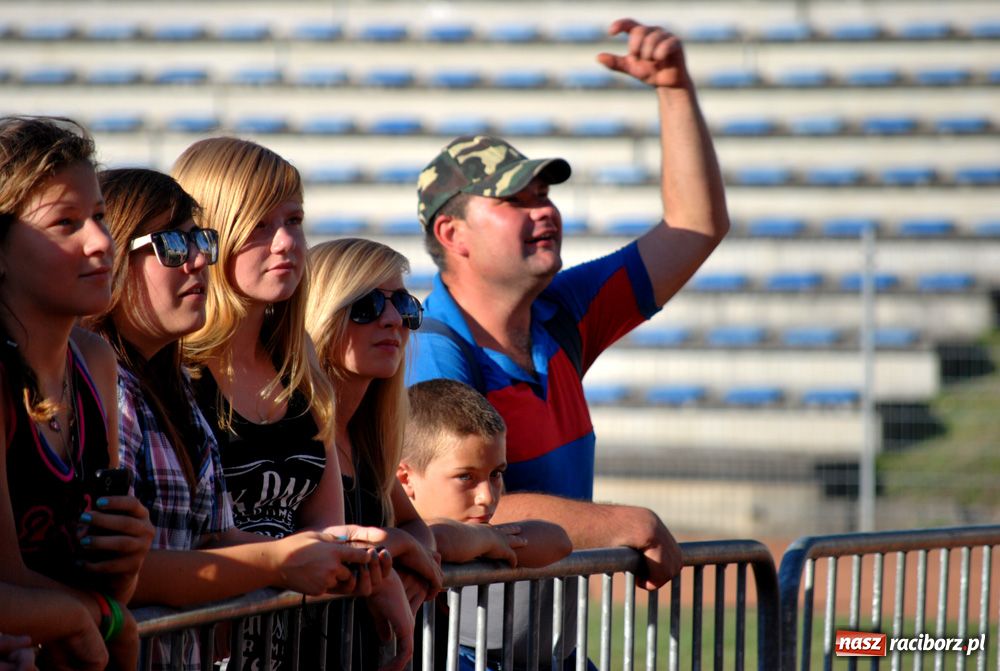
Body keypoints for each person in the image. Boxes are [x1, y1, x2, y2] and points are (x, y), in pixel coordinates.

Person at [409, 18, 727, 585]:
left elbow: (695, 226)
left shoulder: (561, 310)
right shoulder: (435, 353)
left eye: (545, 195)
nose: (544, 210)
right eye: (515, 200)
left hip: (543, 640)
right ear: (453, 234)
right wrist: (625, 524)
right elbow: (454, 513)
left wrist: (674, 91)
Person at [85, 168, 386, 670]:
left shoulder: (171, 387)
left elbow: (212, 538)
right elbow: (123, 573)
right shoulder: (106, 390)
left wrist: (331, 550)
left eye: (201, 241)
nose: (201, 259)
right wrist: (280, 561)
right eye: (172, 246)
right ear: (108, 257)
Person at [172, 138, 419, 670]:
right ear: (209, 233)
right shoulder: (172, 368)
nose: (286, 242)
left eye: (295, 220)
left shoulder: (298, 367)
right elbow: (172, 540)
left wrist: (376, 567)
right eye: (260, 225)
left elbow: (323, 528)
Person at [0, 116, 154, 670]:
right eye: (65, 224)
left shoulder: (94, 360)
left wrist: (126, 557)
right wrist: (102, 618)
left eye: (99, 217)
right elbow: (8, 582)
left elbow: (107, 589)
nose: (101, 242)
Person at [304, 238, 443, 669]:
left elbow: (415, 524)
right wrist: (403, 548)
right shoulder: (300, 430)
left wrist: (413, 554)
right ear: (323, 314)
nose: (391, 320)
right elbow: (328, 544)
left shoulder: (366, 439)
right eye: (365, 305)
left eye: (402, 304)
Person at [398, 379, 572, 670]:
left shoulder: (479, 534)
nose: (487, 496)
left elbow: (558, 541)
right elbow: (433, 537)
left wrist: (486, 539)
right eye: (466, 477)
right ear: (405, 479)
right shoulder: (391, 529)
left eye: (496, 474)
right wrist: (488, 541)